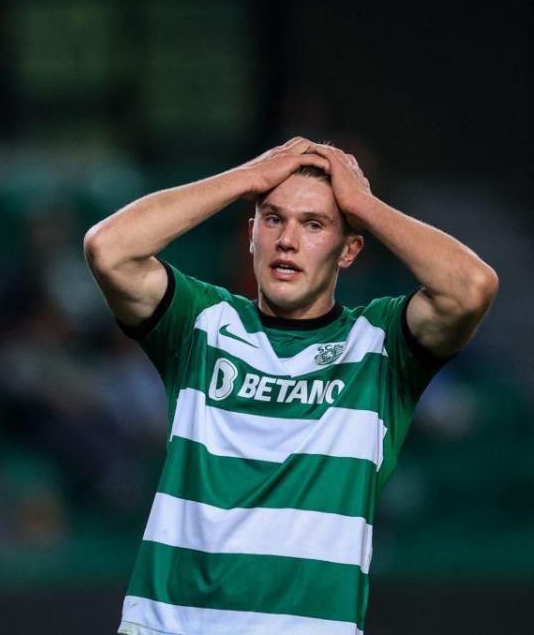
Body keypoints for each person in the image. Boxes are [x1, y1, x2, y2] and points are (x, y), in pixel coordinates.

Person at [82, 137, 498, 635]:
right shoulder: (202, 324)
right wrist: (248, 178)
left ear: (349, 250)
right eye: (273, 218)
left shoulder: (380, 346)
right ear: (252, 233)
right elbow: (109, 250)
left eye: (315, 224)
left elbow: (470, 287)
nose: (287, 240)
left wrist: (362, 204)